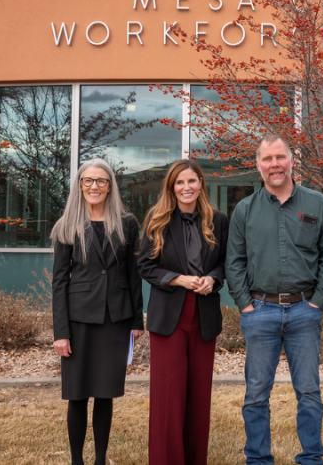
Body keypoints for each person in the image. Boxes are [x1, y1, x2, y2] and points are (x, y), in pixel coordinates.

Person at [226, 134, 323, 465]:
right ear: (258, 166)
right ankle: (258, 459)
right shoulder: (244, 210)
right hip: (259, 311)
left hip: (306, 311)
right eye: (267, 159)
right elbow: (234, 262)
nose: (274, 164)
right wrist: (245, 304)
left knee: (308, 393)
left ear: (291, 160)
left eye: (280, 157)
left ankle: (311, 458)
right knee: (256, 395)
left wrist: (318, 301)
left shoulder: (318, 204)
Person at [51, 159, 144, 465]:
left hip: (115, 320)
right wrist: (60, 332)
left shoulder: (127, 223)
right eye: (88, 181)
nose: (95, 186)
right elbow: (59, 282)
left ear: (110, 186)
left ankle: (100, 459)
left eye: (101, 181)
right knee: (77, 395)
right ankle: (77, 460)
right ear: (80, 185)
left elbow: (133, 275)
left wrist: (136, 319)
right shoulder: (67, 225)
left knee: (105, 393)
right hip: (78, 321)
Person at [137, 159, 229, 465]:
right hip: (169, 315)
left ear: (201, 182)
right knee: (168, 398)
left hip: (203, 315)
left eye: (191, 181)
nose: (186, 187)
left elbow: (226, 263)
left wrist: (212, 279)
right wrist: (177, 279)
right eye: (180, 182)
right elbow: (145, 265)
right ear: (171, 187)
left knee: (198, 397)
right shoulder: (157, 217)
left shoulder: (217, 219)